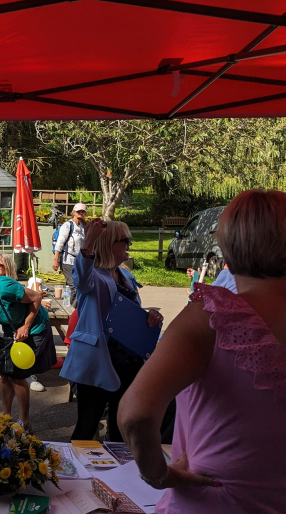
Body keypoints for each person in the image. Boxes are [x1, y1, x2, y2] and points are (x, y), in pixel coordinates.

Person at [119, 190, 286, 514]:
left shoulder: (213, 315)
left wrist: (159, 475)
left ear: (225, 243)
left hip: (211, 500)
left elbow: (135, 414)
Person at [60, 219, 163, 441]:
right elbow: (80, 278)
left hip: (128, 362)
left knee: (121, 428)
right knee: (87, 426)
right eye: (126, 240)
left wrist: (150, 317)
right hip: (98, 360)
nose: (130, 245)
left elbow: (125, 314)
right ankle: (75, 473)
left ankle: (116, 474)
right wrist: (89, 241)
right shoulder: (93, 275)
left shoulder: (126, 276)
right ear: (108, 244)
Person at [0, 254, 56, 426]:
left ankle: (24, 420)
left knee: (17, 375)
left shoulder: (6, 286)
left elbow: (36, 298)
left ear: (9, 269)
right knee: (5, 375)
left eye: (2, 264)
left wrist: (26, 326)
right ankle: (6, 417)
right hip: (10, 330)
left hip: (34, 328)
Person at [52, 203, 88, 307]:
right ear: (73, 212)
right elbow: (60, 243)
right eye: (78, 211)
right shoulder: (68, 225)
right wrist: (56, 260)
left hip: (80, 261)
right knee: (75, 286)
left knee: (75, 286)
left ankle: (70, 307)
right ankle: (72, 311)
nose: (81, 213)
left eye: (83, 211)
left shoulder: (83, 226)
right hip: (67, 260)